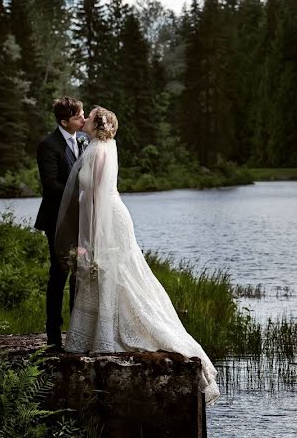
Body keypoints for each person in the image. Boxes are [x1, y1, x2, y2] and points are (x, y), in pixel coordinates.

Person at [54, 106, 220, 404]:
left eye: (89, 117)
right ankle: (95, 333)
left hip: (108, 220)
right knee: (110, 274)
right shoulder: (97, 146)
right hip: (100, 217)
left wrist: (91, 240)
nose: (85, 119)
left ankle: (115, 333)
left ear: (97, 124)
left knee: (119, 273)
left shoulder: (98, 151)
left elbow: (99, 197)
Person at [34, 96, 88, 350]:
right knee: (59, 273)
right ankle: (54, 336)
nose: (84, 120)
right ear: (64, 121)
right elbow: (51, 184)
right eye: (79, 117)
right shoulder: (48, 145)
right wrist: (80, 194)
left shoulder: (83, 140)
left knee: (81, 274)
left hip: (81, 219)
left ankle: (76, 334)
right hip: (57, 220)